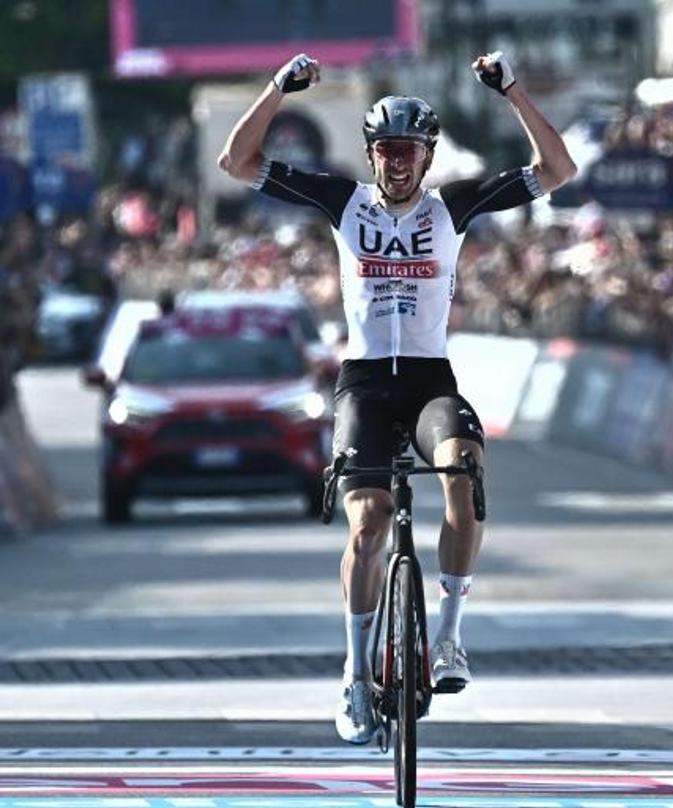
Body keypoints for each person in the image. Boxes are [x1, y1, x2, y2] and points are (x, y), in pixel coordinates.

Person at [218, 52, 576, 744]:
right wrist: (276, 90)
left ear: (428, 155)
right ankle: (356, 676)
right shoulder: (341, 202)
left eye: (409, 151)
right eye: (386, 151)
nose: (398, 163)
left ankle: (449, 638)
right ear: (372, 156)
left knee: (465, 482)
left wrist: (512, 92)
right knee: (368, 526)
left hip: (427, 380)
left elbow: (557, 171)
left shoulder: (454, 207)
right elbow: (237, 162)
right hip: (362, 386)